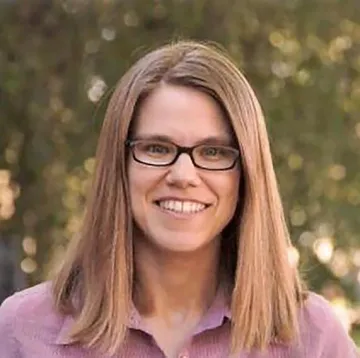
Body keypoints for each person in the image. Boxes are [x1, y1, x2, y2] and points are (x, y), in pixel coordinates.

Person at [0, 41, 358, 358]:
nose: (184, 175)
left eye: (214, 152)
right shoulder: (21, 332)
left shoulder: (313, 338)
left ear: (247, 173)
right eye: (157, 148)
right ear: (118, 166)